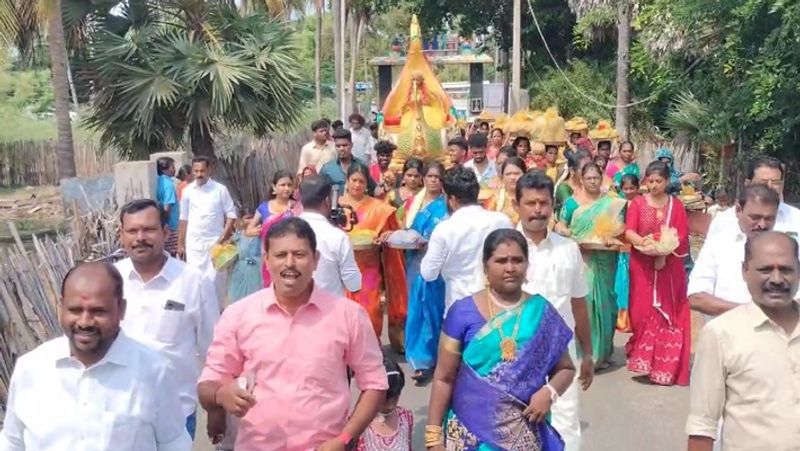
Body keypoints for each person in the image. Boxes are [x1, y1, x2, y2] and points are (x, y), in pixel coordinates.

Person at [197, 218, 388, 451]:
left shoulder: (348, 315)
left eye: (299, 254)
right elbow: (208, 382)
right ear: (266, 260)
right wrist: (220, 395)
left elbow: (375, 383)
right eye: (280, 255)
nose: (290, 263)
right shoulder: (238, 314)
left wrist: (345, 439)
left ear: (315, 260)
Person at [0, 262, 192, 450]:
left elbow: (174, 443)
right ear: (61, 308)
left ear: (121, 309)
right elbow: (12, 442)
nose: (84, 322)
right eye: (75, 310)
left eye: (98, 311)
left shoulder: (154, 371)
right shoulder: (32, 368)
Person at [425, 229, 576, 450]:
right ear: (485, 266)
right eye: (501, 261)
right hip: (470, 434)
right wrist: (433, 437)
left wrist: (549, 393)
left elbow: (566, 369)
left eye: (517, 260)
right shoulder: (462, 312)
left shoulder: (541, 312)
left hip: (524, 432)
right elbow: (444, 378)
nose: (510, 268)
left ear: (527, 265)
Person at [114, 199, 220, 438]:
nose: (140, 237)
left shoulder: (193, 282)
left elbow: (214, 350)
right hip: (120, 417)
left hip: (176, 417)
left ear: (165, 232)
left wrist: (215, 406)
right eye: (132, 230)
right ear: (122, 235)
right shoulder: (112, 280)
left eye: (149, 229)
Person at [686, 231, 800, 451]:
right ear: (745, 271)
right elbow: (702, 425)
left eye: (786, 269)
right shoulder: (721, 334)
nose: (777, 279)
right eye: (765, 269)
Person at [515, 171, 595, 451]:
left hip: (560, 354)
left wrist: (587, 352)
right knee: (515, 424)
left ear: (552, 206)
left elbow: (579, 304)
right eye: (530, 203)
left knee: (565, 424)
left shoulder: (568, 249)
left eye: (544, 203)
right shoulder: (503, 248)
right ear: (518, 206)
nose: (538, 210)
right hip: (513, 351)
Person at [624, 161, 691, 386]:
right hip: (641, 264)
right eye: (650, 181)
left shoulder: (676, 206)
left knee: (667, 311)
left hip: (669, 267)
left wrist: (663, 252)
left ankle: (664, 367)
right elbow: (629, 231)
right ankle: (643, 360)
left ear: (667, 181)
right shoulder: (637, 204)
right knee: (641, 311)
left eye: (658, 181)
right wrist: (643, 243)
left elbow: (680, 235)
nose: (654, 185)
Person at [557, 163, 626, 368]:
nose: (593, 181)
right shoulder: (571, 203)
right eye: (589, 178)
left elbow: (620, 226)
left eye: (596, 178)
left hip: (605, 258)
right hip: (581, 258)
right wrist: (567, 233)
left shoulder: (611, 203)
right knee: (585, 303)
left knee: (607, 304)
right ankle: (585, 353)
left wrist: (610, 235)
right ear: (581, 180)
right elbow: (560, 224)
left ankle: (603, 351)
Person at [421, 166, 513, 310]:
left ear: (451, 199)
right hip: (498, 307)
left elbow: (428, 273)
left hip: (459, 307)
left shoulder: (445, 229)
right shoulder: (502, 221)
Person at [340, 163, 408, 353]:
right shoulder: (337, 207)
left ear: (367, 184)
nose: (357, 185)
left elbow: (393, 238)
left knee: (370, 312)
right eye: (353, 180)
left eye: (361, 181)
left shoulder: (380, 209)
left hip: (369, 270)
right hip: (342, 271)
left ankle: (370, 353)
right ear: (347, 182)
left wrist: (385, 238)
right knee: (343, 314)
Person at [688, 184, 780, 317]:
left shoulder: (785, 250)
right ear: (738, 210)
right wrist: (750, 314)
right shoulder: (720, 243)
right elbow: (696, 298)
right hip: (726, 334)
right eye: (755, 217)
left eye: (769, 218)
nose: (762, 225)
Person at [403, 162, 448, 385]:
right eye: (429, 176)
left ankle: (438, 358)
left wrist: (429, 242)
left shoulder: (446, 207)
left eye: (437, 177)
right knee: (416, 311)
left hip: (436, 266)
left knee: (433, 311)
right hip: (413, 262)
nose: (432, 180)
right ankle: (421, 361)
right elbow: (405, 228)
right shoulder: (414, 202)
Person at [178, 156, 237, 302]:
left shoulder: (220, 190)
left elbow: (231, 215)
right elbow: (183, 218)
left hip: (215, 245)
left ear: (209, 169)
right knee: (195, 282)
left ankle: (217, 319)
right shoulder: (187, 191)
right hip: (194, 245)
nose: (199, 174)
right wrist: (180, 244)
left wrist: (222, 238)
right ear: (192, 171)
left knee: (216, 283)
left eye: (202, 170)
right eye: (196, 171)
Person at [298, 175, 362, 296]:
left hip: (294, 309)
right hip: (329, 311)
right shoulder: (337, 237)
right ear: (327, 201)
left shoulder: (286, 232)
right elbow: (354, 285)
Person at [707, 155, 800, 238]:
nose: (770, 187)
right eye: (763, 182)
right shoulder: (725, 221)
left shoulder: (796, 218)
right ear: (748, 184)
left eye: (776, 183)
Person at [246, 170, 298, 287]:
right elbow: (249, 230)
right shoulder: (264, 208)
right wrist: (253, 232)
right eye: (282, 185)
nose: (286, 188)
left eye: (289, 185)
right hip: (270, 256)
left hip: (292, 255)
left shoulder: (296, 207)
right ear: (274, 187)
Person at [356, 359, 413, 451]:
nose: (390, 405)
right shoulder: (355, 422)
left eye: (395, 398)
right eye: (385, 400)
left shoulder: (406, 417)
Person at [614, 173, 640, 332]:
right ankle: (623, 319)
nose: (629, 191)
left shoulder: (642, 204)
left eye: (632, 188)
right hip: (623, 250)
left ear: (637, 188)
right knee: (622, 285)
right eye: (626, 188)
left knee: (636, 285)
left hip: (637, 250)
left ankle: (636, 317)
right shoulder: (618, 205)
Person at [320, 128, 377, 196]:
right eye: (338, 146)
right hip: (336, 206)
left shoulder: (362, 165)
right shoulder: (327, 169)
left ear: (351, 145)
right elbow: (321, 193)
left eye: (344, 145)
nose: (342, 149)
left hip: (359, 205)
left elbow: (373, 189)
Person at [228, 210, 264, 302]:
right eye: (247, 218)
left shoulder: (262, 234)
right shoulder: (237, 236)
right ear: (241, 221)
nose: (251, 220)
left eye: (252, 217)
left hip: (256, 271)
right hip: (239, 272)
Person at [484, 156, 526, 226]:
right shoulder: (494, 199)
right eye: (508, 174)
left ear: (524, 175)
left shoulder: (531, 198)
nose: (512, 177)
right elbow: (487, 223)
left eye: (517, 173)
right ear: (502, 177)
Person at [554, 149, 592, 224]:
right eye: (584, 169)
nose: (589, 173)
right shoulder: (563, 188)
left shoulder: (589, 185)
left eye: (591, 168)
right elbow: (574, 212)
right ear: (572, 170)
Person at [156, 156, 180, 255]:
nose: (174, 170)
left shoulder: (159, 181)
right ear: (164, 169)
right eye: (172, 167)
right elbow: (167, 206)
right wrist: (166, 223)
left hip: (165, 223)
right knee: (174, 253)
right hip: (172, 225)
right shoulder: (169, 185)